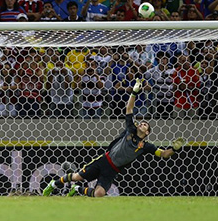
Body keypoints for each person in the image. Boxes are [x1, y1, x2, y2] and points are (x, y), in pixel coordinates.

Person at [43, 80, 185, 198]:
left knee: (99, 194)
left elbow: (164, 154)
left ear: (147, 132)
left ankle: (78, 190)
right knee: (77, 176)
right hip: (105, 160)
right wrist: (134, 93)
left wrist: (174, 149)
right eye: (141, 123)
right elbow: (129, 109)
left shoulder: (145, 146)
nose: (142, 124)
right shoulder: (130, 129)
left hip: (113, 170)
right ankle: (53, 184)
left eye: (145, 125)